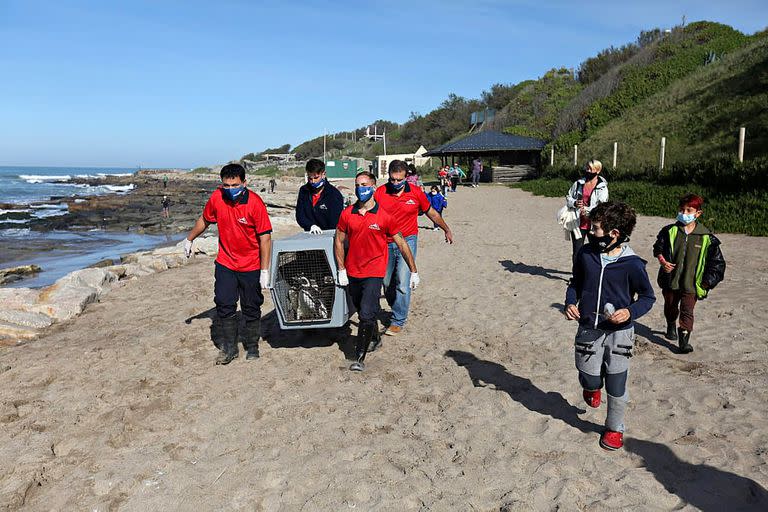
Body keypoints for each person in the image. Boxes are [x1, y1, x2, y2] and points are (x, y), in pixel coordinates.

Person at [564, 201, 655, 451]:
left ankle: (614, 428)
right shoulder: (585, 254)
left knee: (616, 386)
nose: (590, 233)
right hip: (588, 330)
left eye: (595, 229)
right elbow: (575, 284)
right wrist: (570, 302)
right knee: (590, 379)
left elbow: (648, 298)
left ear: (614, 234)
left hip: (620, 335)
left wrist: (630, 312)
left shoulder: (633, 264)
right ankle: (591, 388)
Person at [184, 163, 272, 365]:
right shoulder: (217, 197)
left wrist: (264, 271)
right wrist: (189, 240)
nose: (231, 190)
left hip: (251, 264)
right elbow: (204, 220)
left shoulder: (255, 204)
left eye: (235, 185)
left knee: (251, 306)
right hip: (226, 262)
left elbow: (265, 238)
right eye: (226, 186)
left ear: (244, 183)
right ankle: (230, 349)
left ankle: (252, 346)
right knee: (224, 304)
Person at [334, 171, 419, 371]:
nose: (360, 188)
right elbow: (338, 240)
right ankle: (375, 338)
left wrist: (413, 270)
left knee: (366, 314)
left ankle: (359, 358)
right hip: (353, 271)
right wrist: (341, 269)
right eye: (357, 185)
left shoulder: (385, 217)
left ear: (373, 187)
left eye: (364, 184)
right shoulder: (347, 214)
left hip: (374, 271)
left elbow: (401, 243)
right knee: (361, 309)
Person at [374, 160, 454, 335]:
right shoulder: (380, 193)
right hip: (385, 242)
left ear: (406, 177)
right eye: (392, 179)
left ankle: (398, 319)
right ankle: (397, 307)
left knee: (403, 281)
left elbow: (431, 212)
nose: (395, 184)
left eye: (399, 180)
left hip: (408, 239)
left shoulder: (416, 193)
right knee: (387, 283)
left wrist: (446, 229)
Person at [652, 193, 726, 353]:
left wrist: (707, 282)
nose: (684, 214)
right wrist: (662, 261)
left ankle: (683, 342)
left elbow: (717, 264)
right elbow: (657, 248)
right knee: (671, 307)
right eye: (681, 210)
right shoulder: (669, 231)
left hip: (692, 283)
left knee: (687, 310)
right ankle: (671, 324)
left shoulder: (707, 238)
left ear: (698, 213)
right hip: (671, 281)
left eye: (689, 210)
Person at [566, 159, 609, 263]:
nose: (588, 170)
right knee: (577, 251)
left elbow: (602, 206)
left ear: (597, 171)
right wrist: (575, 203)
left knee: (596, 250)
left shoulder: (602, 187)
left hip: (594, 224)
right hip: (578, 222)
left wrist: (588, 211)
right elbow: (568, 197)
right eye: (587, 168)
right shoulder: (578, 183)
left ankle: (594, 273)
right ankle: (576, 276)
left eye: (590, 168)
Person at [295, 158, 344, 234]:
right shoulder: (303, 191)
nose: (313, 181)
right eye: (310, 178)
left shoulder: (334, 194)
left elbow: (335, 221)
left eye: (316, 178)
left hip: (329, 235)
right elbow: (300, 215)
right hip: (309, 233)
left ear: (323, 174)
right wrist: (311, 226)